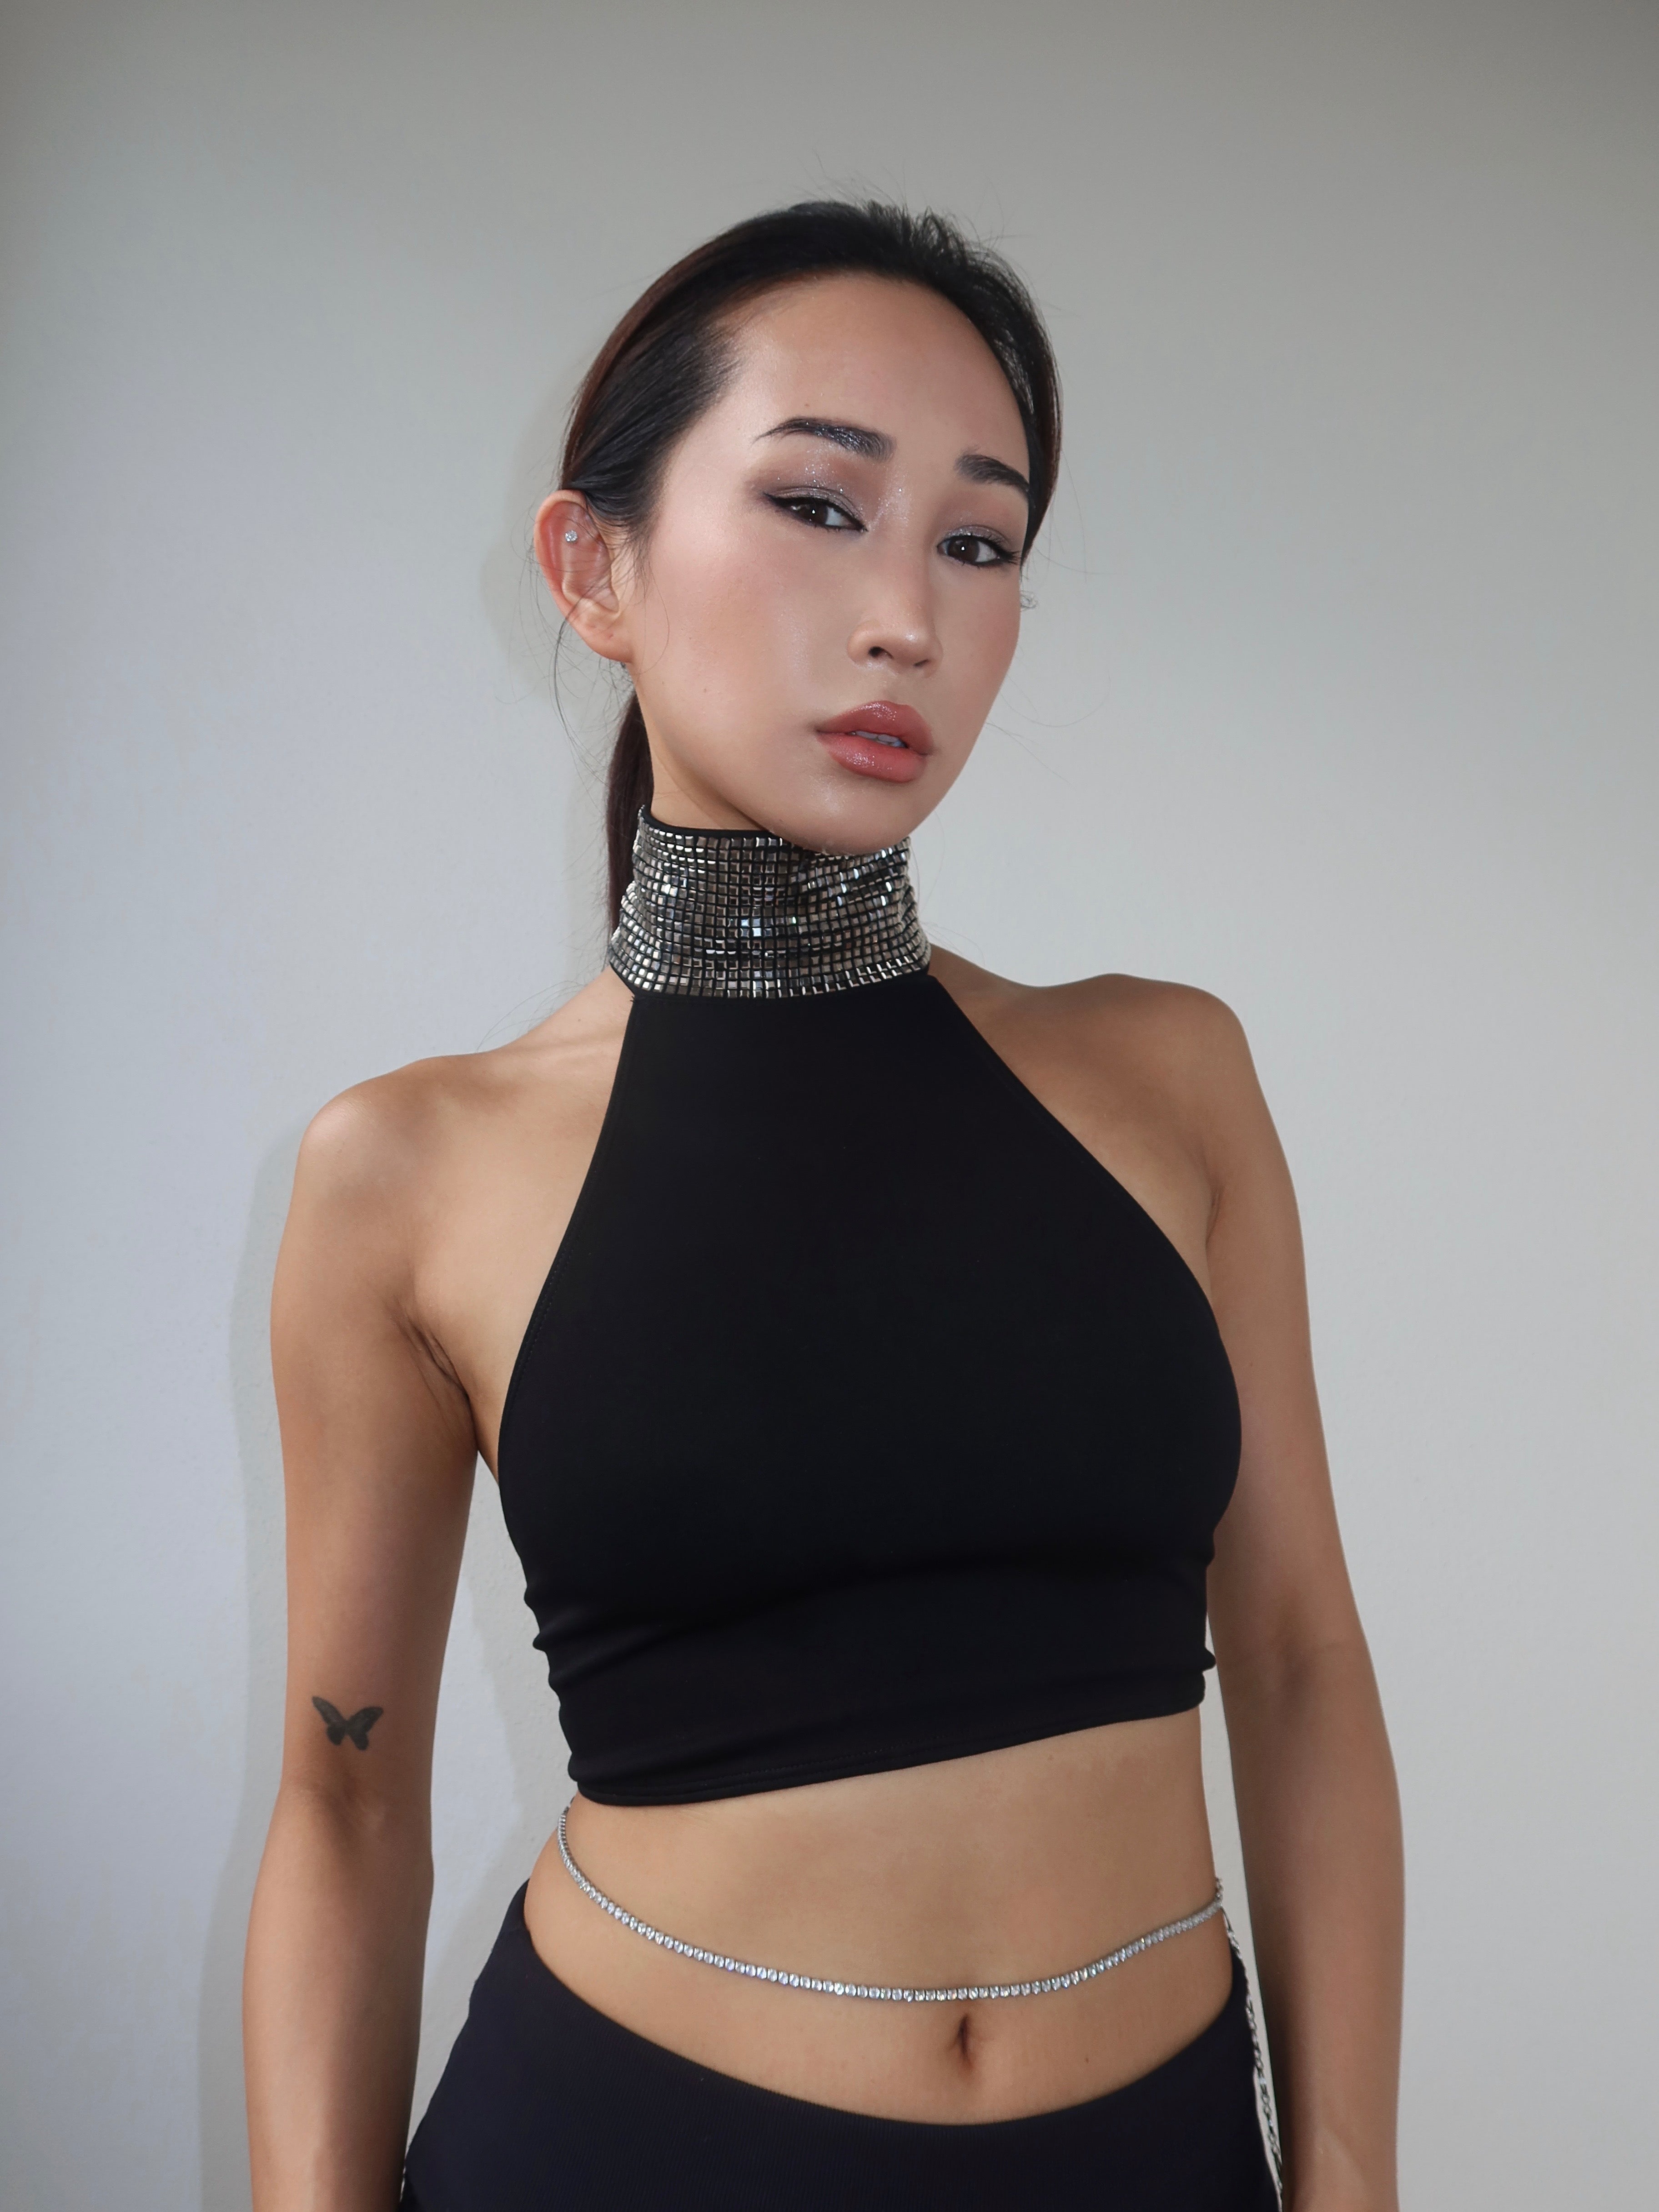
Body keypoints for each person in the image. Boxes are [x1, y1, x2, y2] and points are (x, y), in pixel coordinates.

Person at [243, 201, 1403, 2211]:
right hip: (623, 2151)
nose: (907, 618)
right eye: (816, 506)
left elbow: (1299, 1665)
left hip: (1153, 2161)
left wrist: (1356, 2184)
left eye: (979, 542)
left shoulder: (1168, 1078)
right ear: (593, 569)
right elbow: (345, 1809)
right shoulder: (408, 1170)